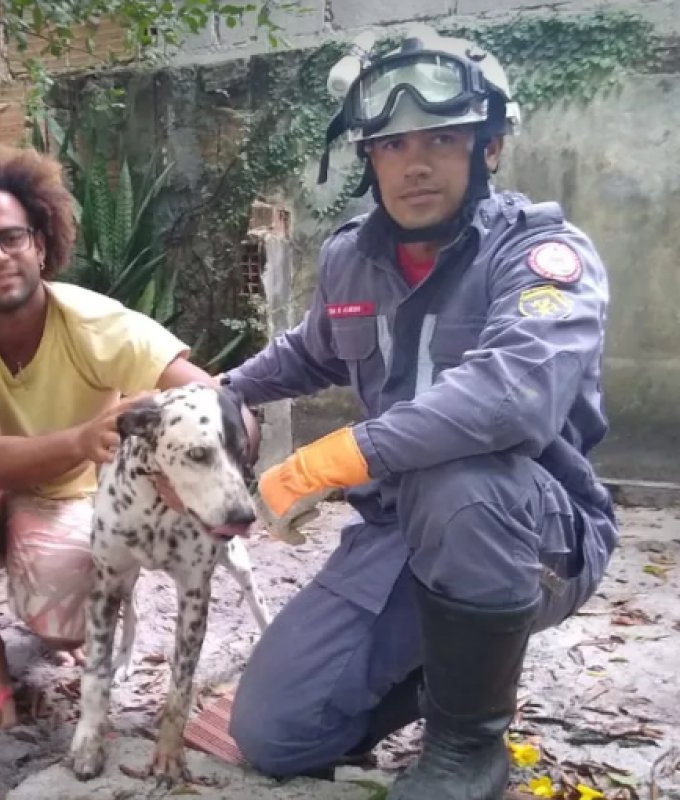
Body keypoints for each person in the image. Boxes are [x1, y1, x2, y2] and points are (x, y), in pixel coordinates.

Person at [220, 28, 618, 800]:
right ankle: (458, 658)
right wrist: (220, 390)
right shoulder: (351, 257)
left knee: (459, 477)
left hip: (530, 527)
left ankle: (468, 744)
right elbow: (311, 351)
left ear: (489, 148)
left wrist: (332, 459)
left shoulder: (541, 255)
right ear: (369, 160)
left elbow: (514, 394)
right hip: (397, 530)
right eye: (393, 145)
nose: (417, 163)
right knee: (277, 733)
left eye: (444, 138)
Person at [0, 143, 258, 731]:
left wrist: (203, 473)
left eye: (12, 237)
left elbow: (224, 404)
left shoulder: (98, 324)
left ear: (39, 245)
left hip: (70, 495)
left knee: (63, 624)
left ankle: (67, 578)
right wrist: (85, 437)